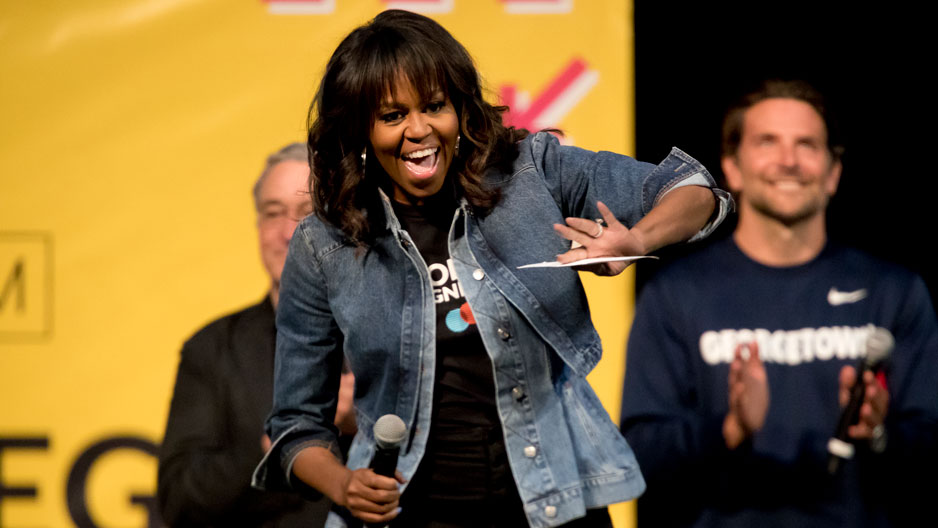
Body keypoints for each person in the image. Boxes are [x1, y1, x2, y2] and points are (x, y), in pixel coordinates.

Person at [251, 10, 731, 528]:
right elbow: (296, 426)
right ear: (360, 130)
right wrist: (345, 483)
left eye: (435, 106)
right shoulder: (324, 245)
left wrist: (637, 238)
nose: (419, 130)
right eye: (392, 116)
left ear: (459, 106)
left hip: (555, 506)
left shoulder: (533, 172)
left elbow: (692, 189)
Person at [619, 80, 938, 527]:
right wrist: (730, 430)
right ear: (731, 167)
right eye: (768, 142)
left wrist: (881, 433)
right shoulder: (676, 294)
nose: (788, 161)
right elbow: (640, 458)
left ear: (833, 172)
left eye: (806, 144)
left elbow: (927, 444)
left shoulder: (894, 290)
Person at [158, 143, 356, 527]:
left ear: (345, 222)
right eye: (272, 213)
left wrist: (364, 423)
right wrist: (286, 443)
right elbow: (179, 501)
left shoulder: (398, 330)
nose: (287, 233)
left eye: (306, 213)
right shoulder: (213, 348)